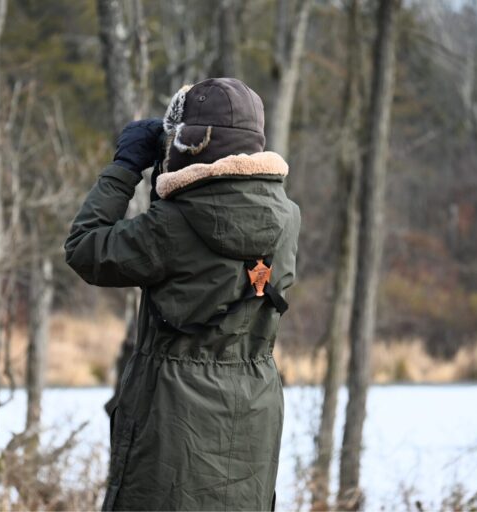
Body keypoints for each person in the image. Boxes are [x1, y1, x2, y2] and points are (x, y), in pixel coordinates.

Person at [64, 78, 300, 511]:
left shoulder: (171, 225)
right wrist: (171, 176)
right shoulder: (287, 219)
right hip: (253, 411)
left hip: (171, 416)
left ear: (191, 144)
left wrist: (125, 168)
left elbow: (84, 248)